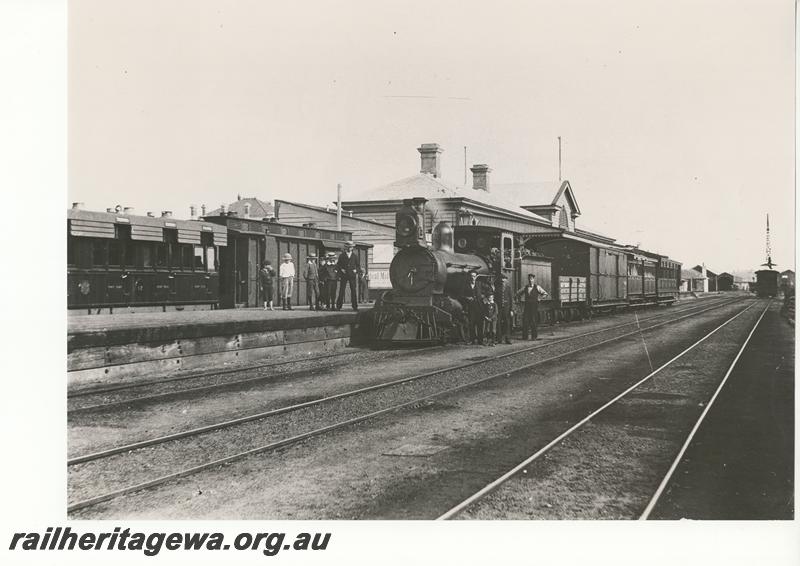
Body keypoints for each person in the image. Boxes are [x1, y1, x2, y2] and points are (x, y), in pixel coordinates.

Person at [515, 273, 548, 340]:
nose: (530, 280)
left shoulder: (537, 287)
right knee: (525, 321)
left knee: (533, 321)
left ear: (533, 279)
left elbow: (545, 294)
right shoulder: (525, 287)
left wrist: (540, 299)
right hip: (527, 307)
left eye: (531, 279)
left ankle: (534, 337)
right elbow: (518, 293)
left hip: (534, 307)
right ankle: (525, 337)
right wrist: (518, 299)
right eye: (529, 279)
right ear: (528, 280)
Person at [336, 241, 361, 311]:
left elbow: (358, 266)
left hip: (352, 275)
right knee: (341, 290)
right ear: (346, 247)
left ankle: (355, 306)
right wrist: (341, 269)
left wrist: (356, 270)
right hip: (344, 275)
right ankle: (338, 306)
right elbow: (338, 265)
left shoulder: (355, 256)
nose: (350, 248)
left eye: (351, 247)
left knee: (353, 290)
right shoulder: (342, 256)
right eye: (349, 247)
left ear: (352, 248)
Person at [462, 270, 484, 345]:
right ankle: (472, 340)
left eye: (474, 276)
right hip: (470, 307)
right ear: (469, 277)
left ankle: (480, 340)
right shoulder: (466, 285)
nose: (473, 278)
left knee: (480, 324)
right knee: (471, 324)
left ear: (476, 277)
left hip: (479, 307)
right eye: (471, 276)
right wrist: (467, 298)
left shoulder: (480, 284)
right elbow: (462, 295)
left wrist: (484, 298)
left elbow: (489, 290)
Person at [498, 272, 514, 344]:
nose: (503, 282)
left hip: (507, 309)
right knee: (498, 323)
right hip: (499, 308)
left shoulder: (508, 288)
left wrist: (511, 310)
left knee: (507, 323)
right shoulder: (497, 288)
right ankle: (499, 339)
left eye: (504, 281)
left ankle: (508, 339)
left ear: (506, 281)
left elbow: (511, 299)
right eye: (502, 281)